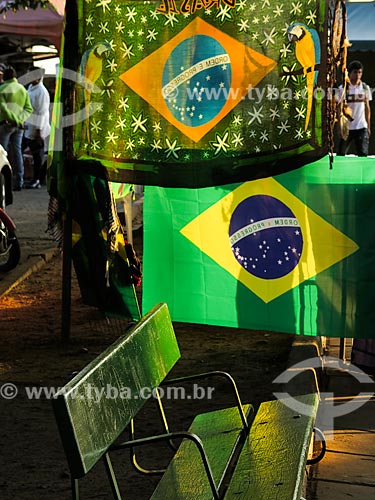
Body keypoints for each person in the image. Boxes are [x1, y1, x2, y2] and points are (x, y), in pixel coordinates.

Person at [0, 65, 33, 191]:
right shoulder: (23, 90)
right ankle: (19, 181)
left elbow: (3, 109)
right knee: (17, 152)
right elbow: (29, 108)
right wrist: (20, 120)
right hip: (19, 126)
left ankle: (3, 182)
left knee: (2, 154)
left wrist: (13, 119)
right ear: (15, 76)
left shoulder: (2, 89)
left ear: (5, 77)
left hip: (5, 125)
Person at [337, 60, 372, 157]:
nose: (357, 75)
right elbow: (339, 109)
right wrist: (340, 127)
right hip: (347, 127)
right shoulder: (343, 89)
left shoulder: (365, 88)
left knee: (363, 154)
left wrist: (368, 126)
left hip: (361, 126)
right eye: (355, 72)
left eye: (360, 72)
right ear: (350, 73)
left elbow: (367, 108)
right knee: (341, 154)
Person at [24, 67, 50, 189]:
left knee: (37, 156)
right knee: (33, 154)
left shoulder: (42, 92)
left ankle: (37, 180)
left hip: (38, 128)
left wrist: (39, 132)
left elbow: (42, 113)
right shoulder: (30, 88)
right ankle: (34, 179)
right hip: (29, 126)